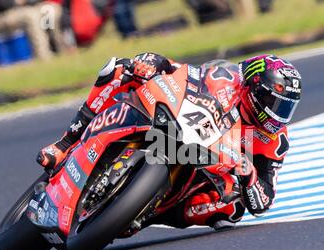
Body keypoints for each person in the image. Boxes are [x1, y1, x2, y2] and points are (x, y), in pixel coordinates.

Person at [37, 53, 302, 231]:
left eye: (285, 108)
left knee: (232, 209)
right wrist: (153, 63)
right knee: (119, 68)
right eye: (273, 102)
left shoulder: (274, 139)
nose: (277, 113)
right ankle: (65, 143)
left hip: (208, 166)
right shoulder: (226, 79)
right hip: (177, 122)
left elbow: (263, 201)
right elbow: (183, 71)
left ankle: (150, 212)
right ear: (252, 87)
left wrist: (250, 175)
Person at [0, 0, 67, 60]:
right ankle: (43, 56)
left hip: (20, 10)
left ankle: (62, 50)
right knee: (30, 15)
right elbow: (7, 4)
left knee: (50, 9)